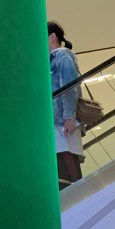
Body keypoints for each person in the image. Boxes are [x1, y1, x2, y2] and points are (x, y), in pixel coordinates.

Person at [49, 21, 84, 189]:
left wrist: (69, 116)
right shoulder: (51, 59)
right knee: (62, 160)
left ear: (52, 37)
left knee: (68, 158)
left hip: (64, 119)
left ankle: (80, 194)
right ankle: (76, 194)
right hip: (58, 119)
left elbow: (70, 85)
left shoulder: (62, 55)